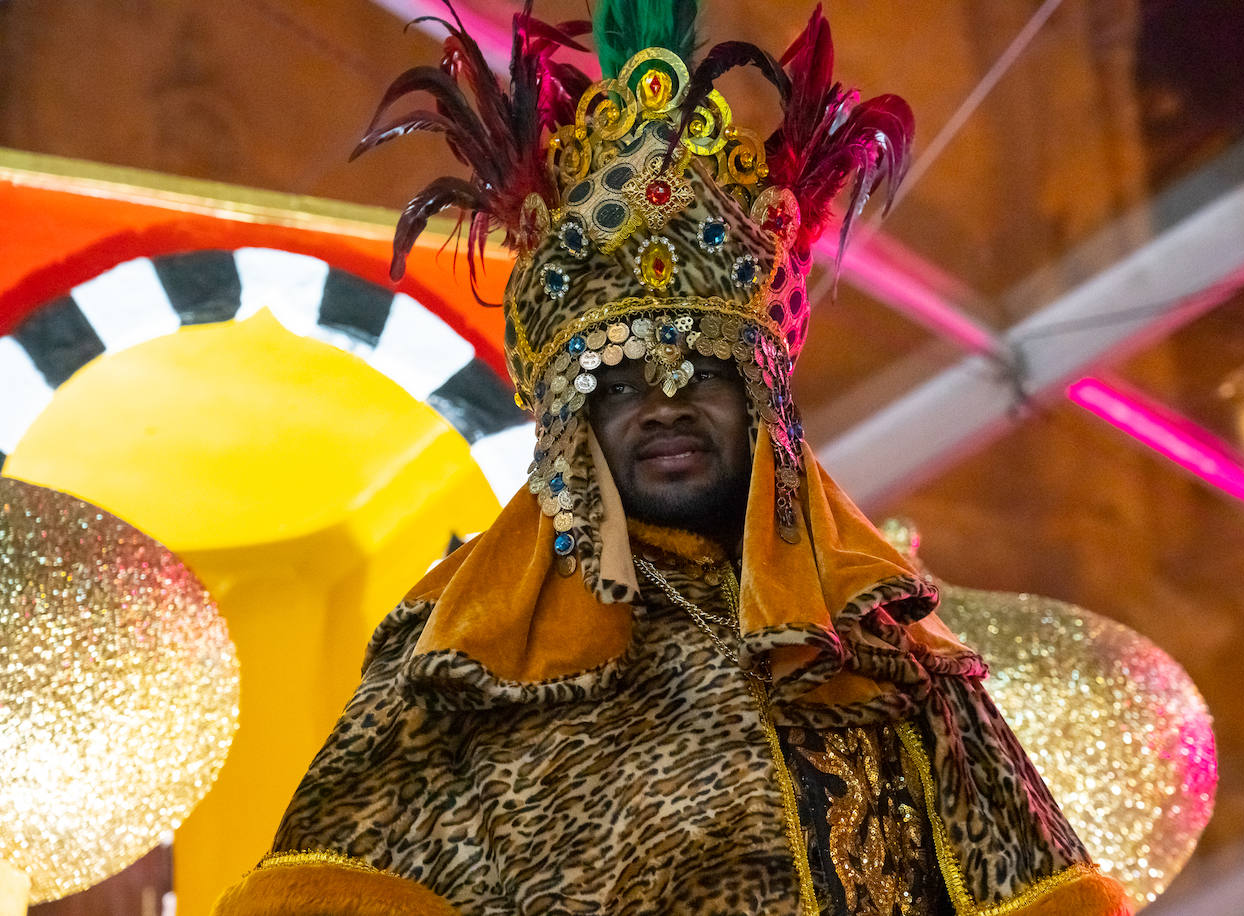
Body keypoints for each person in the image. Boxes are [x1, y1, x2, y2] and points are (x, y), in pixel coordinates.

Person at [213, 2, 1130, 914]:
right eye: (617, 383)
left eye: (701, 370)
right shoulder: (465, 657)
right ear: (571, 421)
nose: (662, 406)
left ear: (765, 403)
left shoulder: (891, 655)